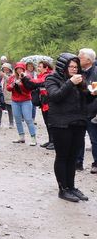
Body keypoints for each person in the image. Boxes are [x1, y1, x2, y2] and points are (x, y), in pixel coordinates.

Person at [45, 53, 97, 202]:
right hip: (61, 123)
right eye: (71, 67)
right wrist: (70, 82)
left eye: (76, 67)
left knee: (73, 157)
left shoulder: (79, 79)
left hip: (78, 122)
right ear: (63, 67)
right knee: (63, 156)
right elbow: (55, 96)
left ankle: (71, 187)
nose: (74, 69)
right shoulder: (52, 79)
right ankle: (63, 189)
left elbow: (85, 99)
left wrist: (93, 94)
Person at [22, 60, 54, 149]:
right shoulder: (42, 75)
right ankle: (51, 140)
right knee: (47, 123)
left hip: (50, 103)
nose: (38, 68)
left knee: (51, 123)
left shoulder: (49, 76)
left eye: (40, 66)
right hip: (44, 102)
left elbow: (37, 82)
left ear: (46, 67)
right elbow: (31, 86)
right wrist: (24, 79)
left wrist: (27, 77)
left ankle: (54, 142)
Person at [76, 48, 97, 173]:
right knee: (78, 138)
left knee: (95, 139)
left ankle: (96, 163)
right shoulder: (78, 73)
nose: (78, 59)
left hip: (93, 110)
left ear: (88, 60)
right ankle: (78, 162)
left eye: (80, 57)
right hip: (79, 110)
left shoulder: (96, 72)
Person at [7, 62, 36, 145]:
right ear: (15, 69)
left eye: (21, 69)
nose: (19, 70)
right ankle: (21, 137)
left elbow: (29, 89)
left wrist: (21, 85)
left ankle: (33, 138)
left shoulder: (28, 77)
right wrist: (12, 84)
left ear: (24, 69)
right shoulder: (12, 77)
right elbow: (8, 88)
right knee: (17, 119)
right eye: (17, 69)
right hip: (15, 101)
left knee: (28, 119)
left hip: (26, 101)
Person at [0, 62, 14, 129]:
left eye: (7, 69)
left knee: (9, 109)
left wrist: (4, 75)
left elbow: (10, 80)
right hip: (1, 94)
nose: (5, 70)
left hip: (8, 95)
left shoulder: (11, 75)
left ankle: (11, 123)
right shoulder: (0, 76)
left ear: (10, 69)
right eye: (4, 69)